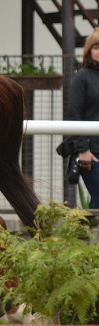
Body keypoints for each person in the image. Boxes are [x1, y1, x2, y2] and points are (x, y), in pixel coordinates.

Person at [68, 30, 99, 207]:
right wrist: (82, 149)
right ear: (88, 51)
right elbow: (75, 114)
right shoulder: (82, 77)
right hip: (91, 152)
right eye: (96, 47)